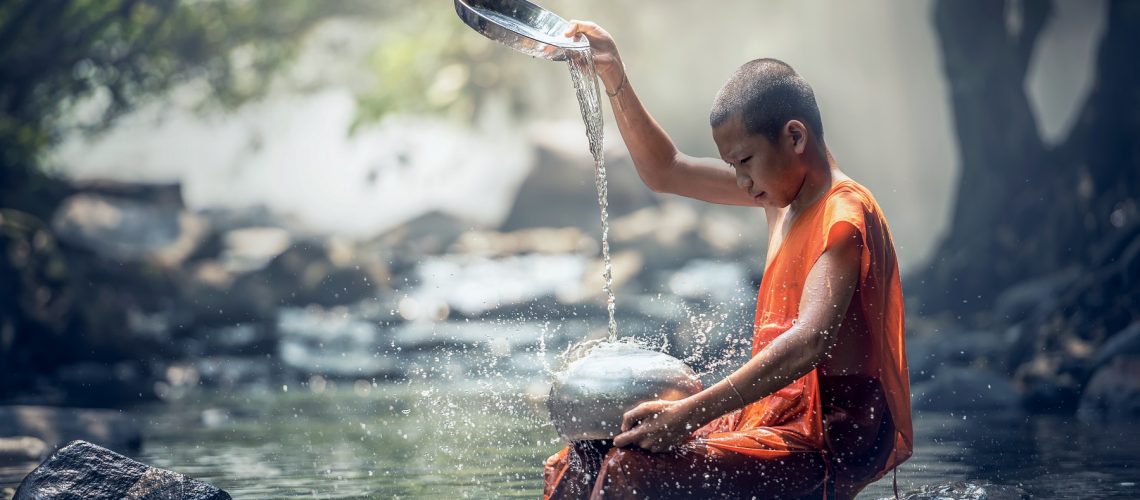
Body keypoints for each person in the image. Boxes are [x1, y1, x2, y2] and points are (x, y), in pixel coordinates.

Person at [542, 21, 913, 500]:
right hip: (769, 420)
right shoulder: (779, 196)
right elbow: (665, 170)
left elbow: (809, 342)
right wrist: (614, 75)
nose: (739, 180)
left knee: (627, 470)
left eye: (744, 161)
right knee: (578, 460)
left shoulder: (843, 211)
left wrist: (689, 414)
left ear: (795, 137)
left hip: (823, 445)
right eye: (732, 166)